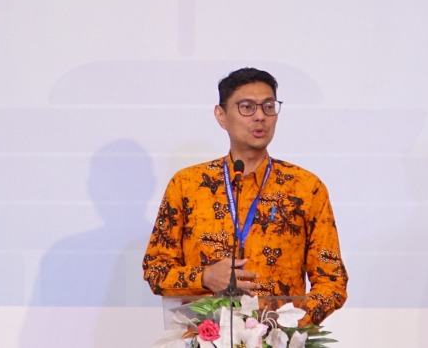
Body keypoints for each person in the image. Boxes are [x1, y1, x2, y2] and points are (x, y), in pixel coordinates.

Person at [142, 67, 347, 326]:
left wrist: (286, 325)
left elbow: (332, 282)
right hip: (205, 337)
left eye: (268, 107)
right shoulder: (187, 185)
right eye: (247, 107)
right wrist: (204, 277)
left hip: (279, 339)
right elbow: (155, 270)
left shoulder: (305, 188)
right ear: (221, 116)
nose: (260, 116)